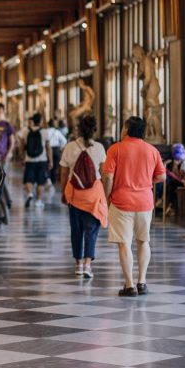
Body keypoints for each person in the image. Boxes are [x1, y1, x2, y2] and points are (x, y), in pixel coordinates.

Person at [102, 116, 166, 297]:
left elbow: (107, 177)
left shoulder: (115, 149)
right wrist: (146, 182)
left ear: (126, 129)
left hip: (121, 202)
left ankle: (129, 285)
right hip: (145, 203)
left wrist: (105, 197)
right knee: (143, 241)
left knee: (124, 244)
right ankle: (142, 282)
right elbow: (162, 177)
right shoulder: (152, 150)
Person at [59, 114, 107, 278]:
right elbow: (103, 173)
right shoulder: (100, 148)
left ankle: (78, 263)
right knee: (91, 230)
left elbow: (64, 173)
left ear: (78, 129)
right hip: (94, 195)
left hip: (74, 194)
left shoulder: (70, 147)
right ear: (94, 130)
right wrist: (106, 195)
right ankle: (87, 264)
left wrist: (62, 193)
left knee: (76, 230)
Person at [19, 113, 52, 208]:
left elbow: (22, 146)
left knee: (29, 179)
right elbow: (48, 147)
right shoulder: (45, 132)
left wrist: (22, 158)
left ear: (33, 120)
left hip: (29, 160)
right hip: (42, 160)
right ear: (41, 121)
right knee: (40, 181)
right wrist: (51, 161)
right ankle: (38, 200)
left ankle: (30, 193)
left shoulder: (26, 131)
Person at [160, 143, 185, 215]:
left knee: (171, 184)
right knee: (169, 184)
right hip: (176, 180)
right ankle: (168, 203)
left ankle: (165, 200)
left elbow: (182, 176)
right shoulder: (175, 161)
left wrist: (176, 174)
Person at [46, 119, 68, 189]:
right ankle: (53, 181)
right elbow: (64, 141)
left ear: (48, 124)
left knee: (48, 165)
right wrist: (61, 148)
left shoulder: (46, 131)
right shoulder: (57, 132)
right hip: (56, 150)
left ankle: (48, 180)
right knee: (55, 166)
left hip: (47, 150)